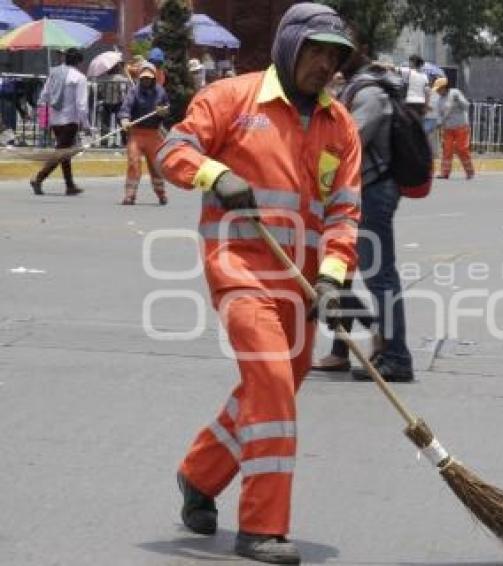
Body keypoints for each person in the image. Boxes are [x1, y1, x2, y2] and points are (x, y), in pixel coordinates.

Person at [155, 4, 359, 563]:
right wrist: (215, 174)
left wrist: (334, 280)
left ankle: (199, 474)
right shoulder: (232, 99)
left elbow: (344, 214)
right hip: (240, 266)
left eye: (335, 56)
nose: (325, 64)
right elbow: (174, 149)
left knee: (272, 389)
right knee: (270, 380)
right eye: (316, 51)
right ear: (290, 47)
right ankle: (262, 527)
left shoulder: (339, 125)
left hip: (302, 283)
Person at [313, 49, 416, 381]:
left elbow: (348, 143)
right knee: (337, 271)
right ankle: (343, 350)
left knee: (379, 276)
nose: (326, 63)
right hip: (358, 191)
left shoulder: (370, 93)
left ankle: (396, 355)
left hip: (373, 191)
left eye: (331, 55)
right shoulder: (358, 88)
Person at [30, 47, 90, 196]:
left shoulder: (54, 73)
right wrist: (87, 125)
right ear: (78, 62)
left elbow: (44, 95)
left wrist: (42, 113)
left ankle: (70, 185)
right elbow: (81, 105)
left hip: (55, 120)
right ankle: (39, 178)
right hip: (70, 121)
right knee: (61, 153)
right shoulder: (79, 77)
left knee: (64, 153)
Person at [119, 62, 170, 205]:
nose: (146, 80)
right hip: (136, 133)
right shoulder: (134, 91)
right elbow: (126, 108)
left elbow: (166, 109)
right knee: (133, 163)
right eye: (143, 78)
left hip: (153, 134)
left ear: (154, 78)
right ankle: (130, 195)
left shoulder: (161, 92)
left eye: (148, 78)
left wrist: (163, 112)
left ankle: (161, 193)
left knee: (156, 166)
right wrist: (124, 120)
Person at [433, 77, 474, 180]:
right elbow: (439, 115)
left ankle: (470, 172)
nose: (437, 91)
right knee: (447, 151)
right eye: (437, 90)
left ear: (445, 87)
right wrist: (438, 123)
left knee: (462, 149)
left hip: (461, 127)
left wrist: (458, 100)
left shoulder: (455, 93)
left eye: (439, 89)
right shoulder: (439, 101)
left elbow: (466, 106)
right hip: (448, 129)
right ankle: (444, 173)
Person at [403, 54, 430, 118]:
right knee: (418, 124)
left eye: (409, 62)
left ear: (413, 62)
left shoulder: (408, 72)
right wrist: (426, 106)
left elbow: (393, 68)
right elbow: (427, 92)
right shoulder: (424, 76)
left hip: (410, 101)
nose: (409, 64)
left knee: (409, 124)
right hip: (421, 103)